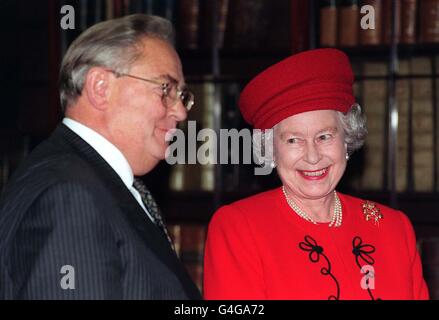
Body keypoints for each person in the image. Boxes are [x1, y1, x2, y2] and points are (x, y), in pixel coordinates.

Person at [0, 14, 201, 299]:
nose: (180, 112)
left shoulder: (89, 181)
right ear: (100, 88)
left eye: (182, 96)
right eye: (165, 89)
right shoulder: (68, 195)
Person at [203, 48, 429, 300]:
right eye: (293, 140)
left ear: (347, 140)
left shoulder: (393, 228)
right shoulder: (239, 228)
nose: (312, 156)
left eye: (324, 136)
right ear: (271, 150)